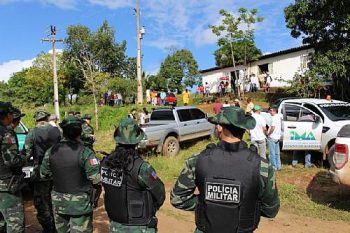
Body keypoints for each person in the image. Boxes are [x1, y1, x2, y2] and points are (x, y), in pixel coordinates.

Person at [170, 107, 280, 233]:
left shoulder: (197, 160)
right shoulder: (262, 166)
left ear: (220, 127)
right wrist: (246, 206)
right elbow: (271, 210)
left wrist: (206, 204)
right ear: (244, 129)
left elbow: (177, 199)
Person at [101, 118, 165, 232]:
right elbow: (160, 193)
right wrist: (151, 209)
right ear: (137, 141)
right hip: (139, 227)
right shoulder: (140, 167)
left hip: (115, 225)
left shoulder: (105, 163)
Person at [40, 116, 101, 233]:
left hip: (59, 203)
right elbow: (96, 179)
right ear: (80, 131)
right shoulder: (85, 152)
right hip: (80, 204)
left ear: (63, 131)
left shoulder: (51, 151)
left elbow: (44, 174)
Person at [25, 109, 61, 233]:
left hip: (40, 172)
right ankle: (59, 227)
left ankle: (48, 229)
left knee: (41, 202)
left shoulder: (32, 133)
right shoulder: (57, 131)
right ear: (47, 118)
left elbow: (27, 153)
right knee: (56, 199)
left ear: (36, 120)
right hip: (57, 171)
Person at [0, 102, 26, 233]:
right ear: (7, 115)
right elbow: (11, 160)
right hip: (6, 185)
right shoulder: (6, 133)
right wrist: (23, 157)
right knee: (15, 223)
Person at [267, 106, 282, 171]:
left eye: (270, 110)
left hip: (272, 136)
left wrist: (268, 134)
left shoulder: (273, 118)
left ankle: (274, 167)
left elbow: (272, 127)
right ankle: (279, 166)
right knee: (277, 153)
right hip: (277, 137)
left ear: (274, 111)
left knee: (272, 153)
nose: (269, 112)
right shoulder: (279, 117)